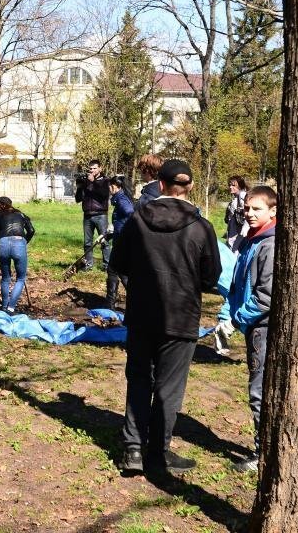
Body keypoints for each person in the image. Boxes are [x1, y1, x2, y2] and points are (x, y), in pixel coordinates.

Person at [111, 159, 221, 475]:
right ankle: (157, 452)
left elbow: (118, 263)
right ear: (190, 187)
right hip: (182, 318)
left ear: (160, 185)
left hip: (142, 315)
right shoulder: (202, 228)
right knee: (169, 388)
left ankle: (134, 450)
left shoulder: (136, 221)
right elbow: (211, 276)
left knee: (139, 380)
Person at [218, 186, 277, 472]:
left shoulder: (270, 244)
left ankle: (261, 454)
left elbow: (265, 296)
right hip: (251, 325)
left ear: (273, 211)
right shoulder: (250, 240)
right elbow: (236, 284)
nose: (249, 214)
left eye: (257, 209)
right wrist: (224, 315)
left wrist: (237, 319)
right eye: (247, 208)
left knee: (259, 391)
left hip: (263, 329)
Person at [0, 196, 35, 315]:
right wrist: (24, 242)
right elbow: (31, 230)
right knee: (20, 278)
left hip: (2, 244)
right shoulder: (21, 214)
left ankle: (4, 307)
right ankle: (11, 308)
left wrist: (4, 243)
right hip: (19, 244)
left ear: (1, 205)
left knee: (5, 278)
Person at [75, 159, 110, 270]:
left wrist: (93, 181)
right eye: (90, 169)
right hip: (87, 215)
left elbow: (104, 195)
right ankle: (88, 264)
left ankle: (107, 265)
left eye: (95, 168)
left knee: (104, 241)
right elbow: (78, 199)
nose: (92, 170)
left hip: (101, 215)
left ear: (100, 168)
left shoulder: (105, 181)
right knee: (87, 242)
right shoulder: (86, 182)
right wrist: (79, 187)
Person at [106, 175, 135, 310]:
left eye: (111, 186)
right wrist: (112, 231)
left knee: (113, 270)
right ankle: (112, 303)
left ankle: (110, 304)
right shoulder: (120, 198)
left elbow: (130, 213)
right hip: (120, 239)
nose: (109, 188)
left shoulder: (122, 199)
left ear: (116, 187)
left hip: (122, 241)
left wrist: (121, 230)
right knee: (119, 271)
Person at [224, 176, 249, 247]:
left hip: (239, 233)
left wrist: (246, 227)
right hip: (234, 231)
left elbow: (248, 211)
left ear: (240, 186)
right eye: (230, 185)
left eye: (233, 185)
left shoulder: (242, 195)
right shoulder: (236, 197)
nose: (230, 187)